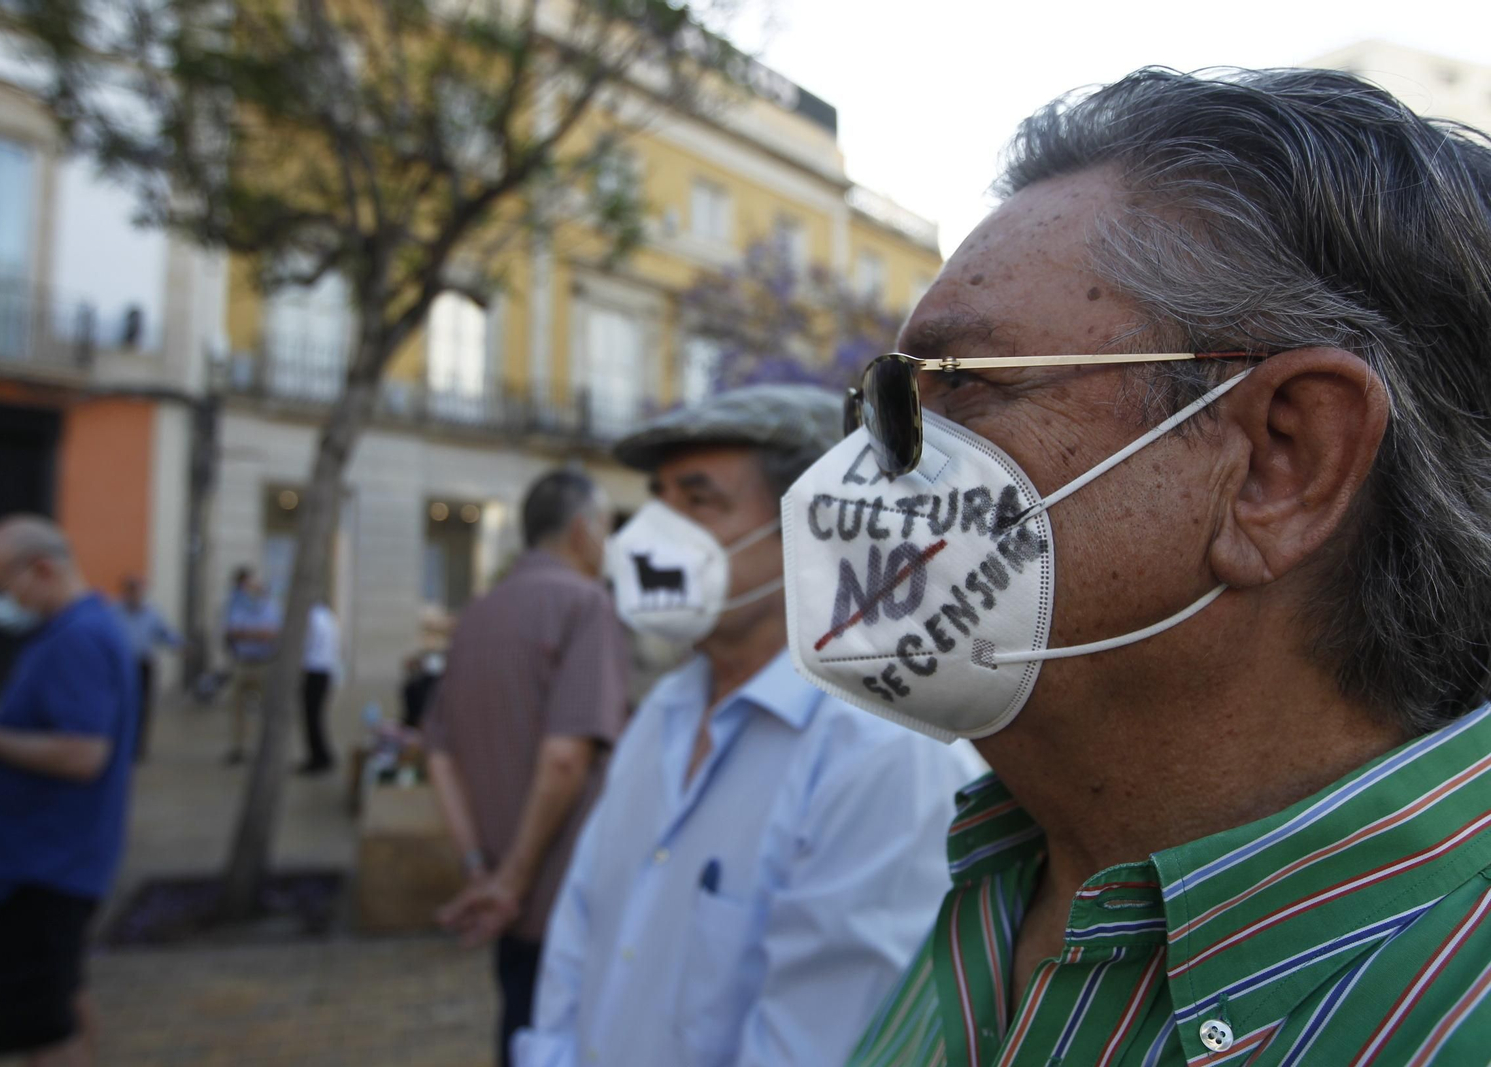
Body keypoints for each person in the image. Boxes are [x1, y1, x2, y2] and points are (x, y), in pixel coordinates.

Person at [780, 68, 1491, 1067]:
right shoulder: (1011, 882)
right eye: (885, 407)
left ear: (1279, 464)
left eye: (956, 389)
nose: (865, 467)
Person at [515, 386, 982, 1067]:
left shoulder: (887, 749)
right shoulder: (664, 712)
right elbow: (581, 932)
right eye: (659, 498)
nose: (652, 533)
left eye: (699, 501)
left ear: (815, 525)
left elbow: (817, 1039)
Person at [0, 515, 137, 1066]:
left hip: (42, 865)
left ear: (41, 569)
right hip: (50, 859)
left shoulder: (77, 639)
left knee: (44, 1025)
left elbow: (83, 753)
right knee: (62, 997)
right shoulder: (71, 631)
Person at [425, 469, 627, 1067]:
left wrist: (480, 872)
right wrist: (512, 883)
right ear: (582, 530)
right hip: (567, 903)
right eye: (609, 527)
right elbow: (566, 757)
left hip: (505, 905)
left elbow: (438, 755)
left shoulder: (478, 614)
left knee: (518, 1036)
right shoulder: (587, 604)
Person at [113, 575, 181, 760]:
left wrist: (180, 645)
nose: (134, 595)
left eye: (138, 591)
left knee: (143, 707)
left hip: (143, 665)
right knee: (121, 705)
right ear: (125, 593)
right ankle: (120, 743)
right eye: (131, 591)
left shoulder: (151, 614)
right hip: (122, 665)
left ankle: (139, 747)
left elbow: (165, 634)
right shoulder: (114, 612)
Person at [222, 566, 280, 765]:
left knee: (268, 709)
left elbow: (273, 634)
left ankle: (267, 750)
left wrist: (248, 633)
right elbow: (232, 631)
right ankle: (239, 748)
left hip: (264, 663)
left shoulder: (271, 606)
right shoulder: (236, 605)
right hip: (242, 662)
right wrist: (258, 635)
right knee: (237, 708)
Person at [299, 599, 341, 774]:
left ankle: (319, 758)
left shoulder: (313, 618)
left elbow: (306, 644)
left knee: (312, 717)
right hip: (325, 670)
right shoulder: (328, 616)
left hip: (314, 670)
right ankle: (322, 755)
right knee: (316, 717)